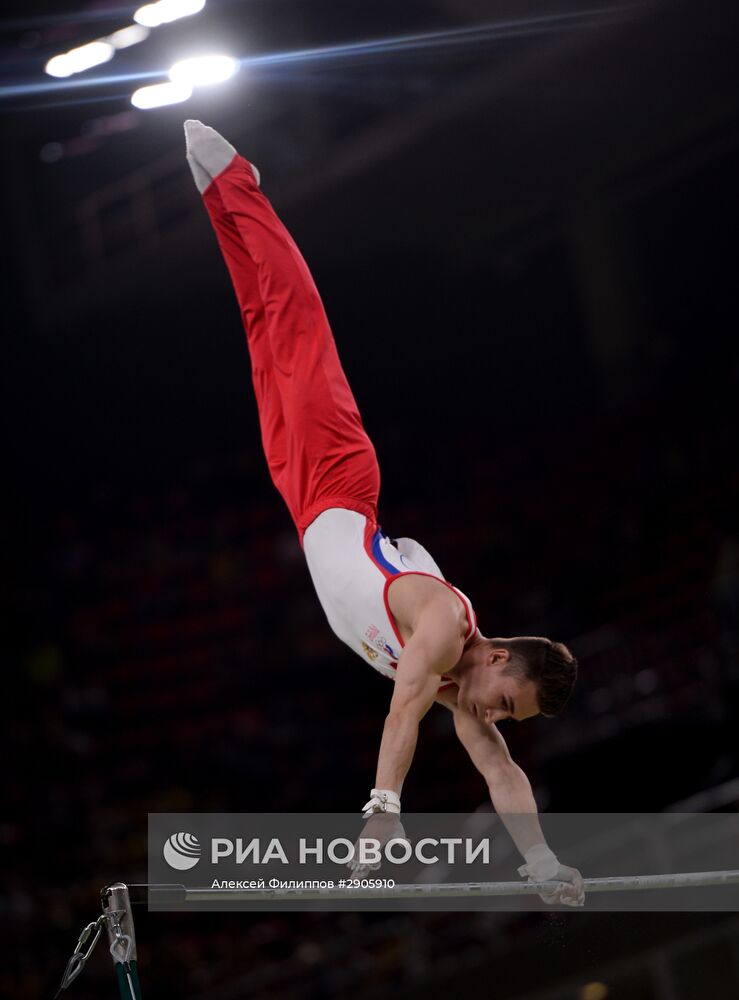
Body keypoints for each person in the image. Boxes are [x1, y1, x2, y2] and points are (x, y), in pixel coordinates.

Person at [183, 120, 584, 906]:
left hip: (303, 505)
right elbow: (403, 704)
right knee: (296, 319)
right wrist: (383, 810)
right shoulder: (441, 632)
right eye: (503, 701)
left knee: (261, 331)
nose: (489, 713)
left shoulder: (456, 687)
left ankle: (215, 205)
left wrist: (542, 867)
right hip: (337, 480)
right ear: (498, 655)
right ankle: (240, 182)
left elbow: (500, 771)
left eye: (504, 714)